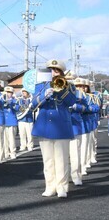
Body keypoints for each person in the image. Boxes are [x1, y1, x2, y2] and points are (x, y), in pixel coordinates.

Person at [31, 59, 77, 198]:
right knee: (48, 160)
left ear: (61, 73)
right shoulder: (40, 86)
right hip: (44, 126)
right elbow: (33, 103)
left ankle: (62, 187)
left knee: (61, 159)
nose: (53, 72)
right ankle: (50, 186)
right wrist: (46, 93)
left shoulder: (68, 86)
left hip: (61, 126)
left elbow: (71, 102)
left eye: (56, 70)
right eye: (50, 69)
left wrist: (60, 90)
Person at [69, 77, 87, 186]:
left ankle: (76, 176)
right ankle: (63, 177)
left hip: (75, 127)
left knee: (75, 154)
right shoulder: (57, 92)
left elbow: (85, 107)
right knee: (62, 155)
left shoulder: (80, 95)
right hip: (61, 127)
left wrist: (77, 106)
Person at [2, 86, 19, 159]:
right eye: (7, 92)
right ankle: (6, 152)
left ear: (12, 93)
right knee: (5, 139)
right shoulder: (2, 100)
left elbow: (17, 109)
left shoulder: (15, 100)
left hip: (12, 121)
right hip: (4, 122)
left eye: (10, 93)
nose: (8, 94)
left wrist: (11, 103)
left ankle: (13, 152)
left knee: (11, 138)